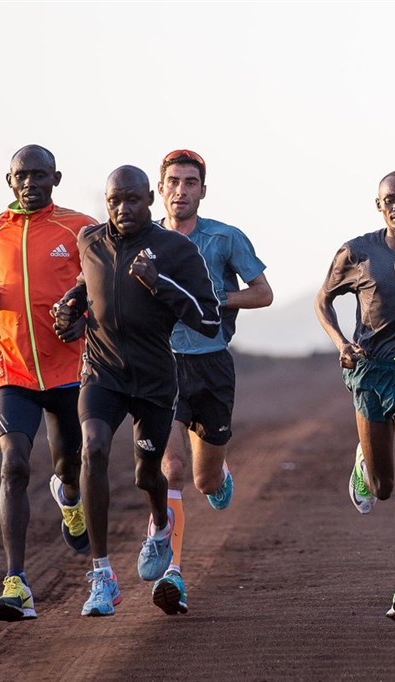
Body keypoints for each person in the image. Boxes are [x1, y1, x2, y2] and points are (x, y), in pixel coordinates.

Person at [52, 165, 221, 617]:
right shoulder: (90, 241)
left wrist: (158, 282)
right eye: (114, 201)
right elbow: (89, 285)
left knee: (149, 475)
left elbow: (208, 322)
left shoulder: (176, 249)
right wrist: (70, 307)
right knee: (94, 448)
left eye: (132, 200)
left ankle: (160, 526)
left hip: (154, 380)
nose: (123, 209)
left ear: (149, 198)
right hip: (102, 374)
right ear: (105, 203)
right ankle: (102, 576)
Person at [0, 145, 96, 622]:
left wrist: (83, 318)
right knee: (14, 466)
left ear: (55, 178)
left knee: (69, 464)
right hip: (12, 368)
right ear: (9, 180)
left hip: (68, 370)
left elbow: (100, 289)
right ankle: (16, 583)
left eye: (40, 175)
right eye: (22, 176)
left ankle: (71, 499)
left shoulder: (79, 227)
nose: (30, 183)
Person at [150, 149, 273, 615]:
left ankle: (219, 475)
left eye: (190, 182)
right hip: (162, 365)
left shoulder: (224, 238)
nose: (181, 190)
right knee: (173, 468)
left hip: (212, 364)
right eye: (173, 182)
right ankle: (172, 573)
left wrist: (219, 297)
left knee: (204, 477)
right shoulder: (145, 238)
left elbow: (264, 293)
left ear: (203, 189)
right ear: (161, 188)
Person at [315, 170, 395, 624]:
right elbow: (322, 300)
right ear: (379, 206)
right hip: (369, 372)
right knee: (385, 487)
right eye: (391, 200)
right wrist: (341, 343)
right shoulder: (358, 252)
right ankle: (365, 465)